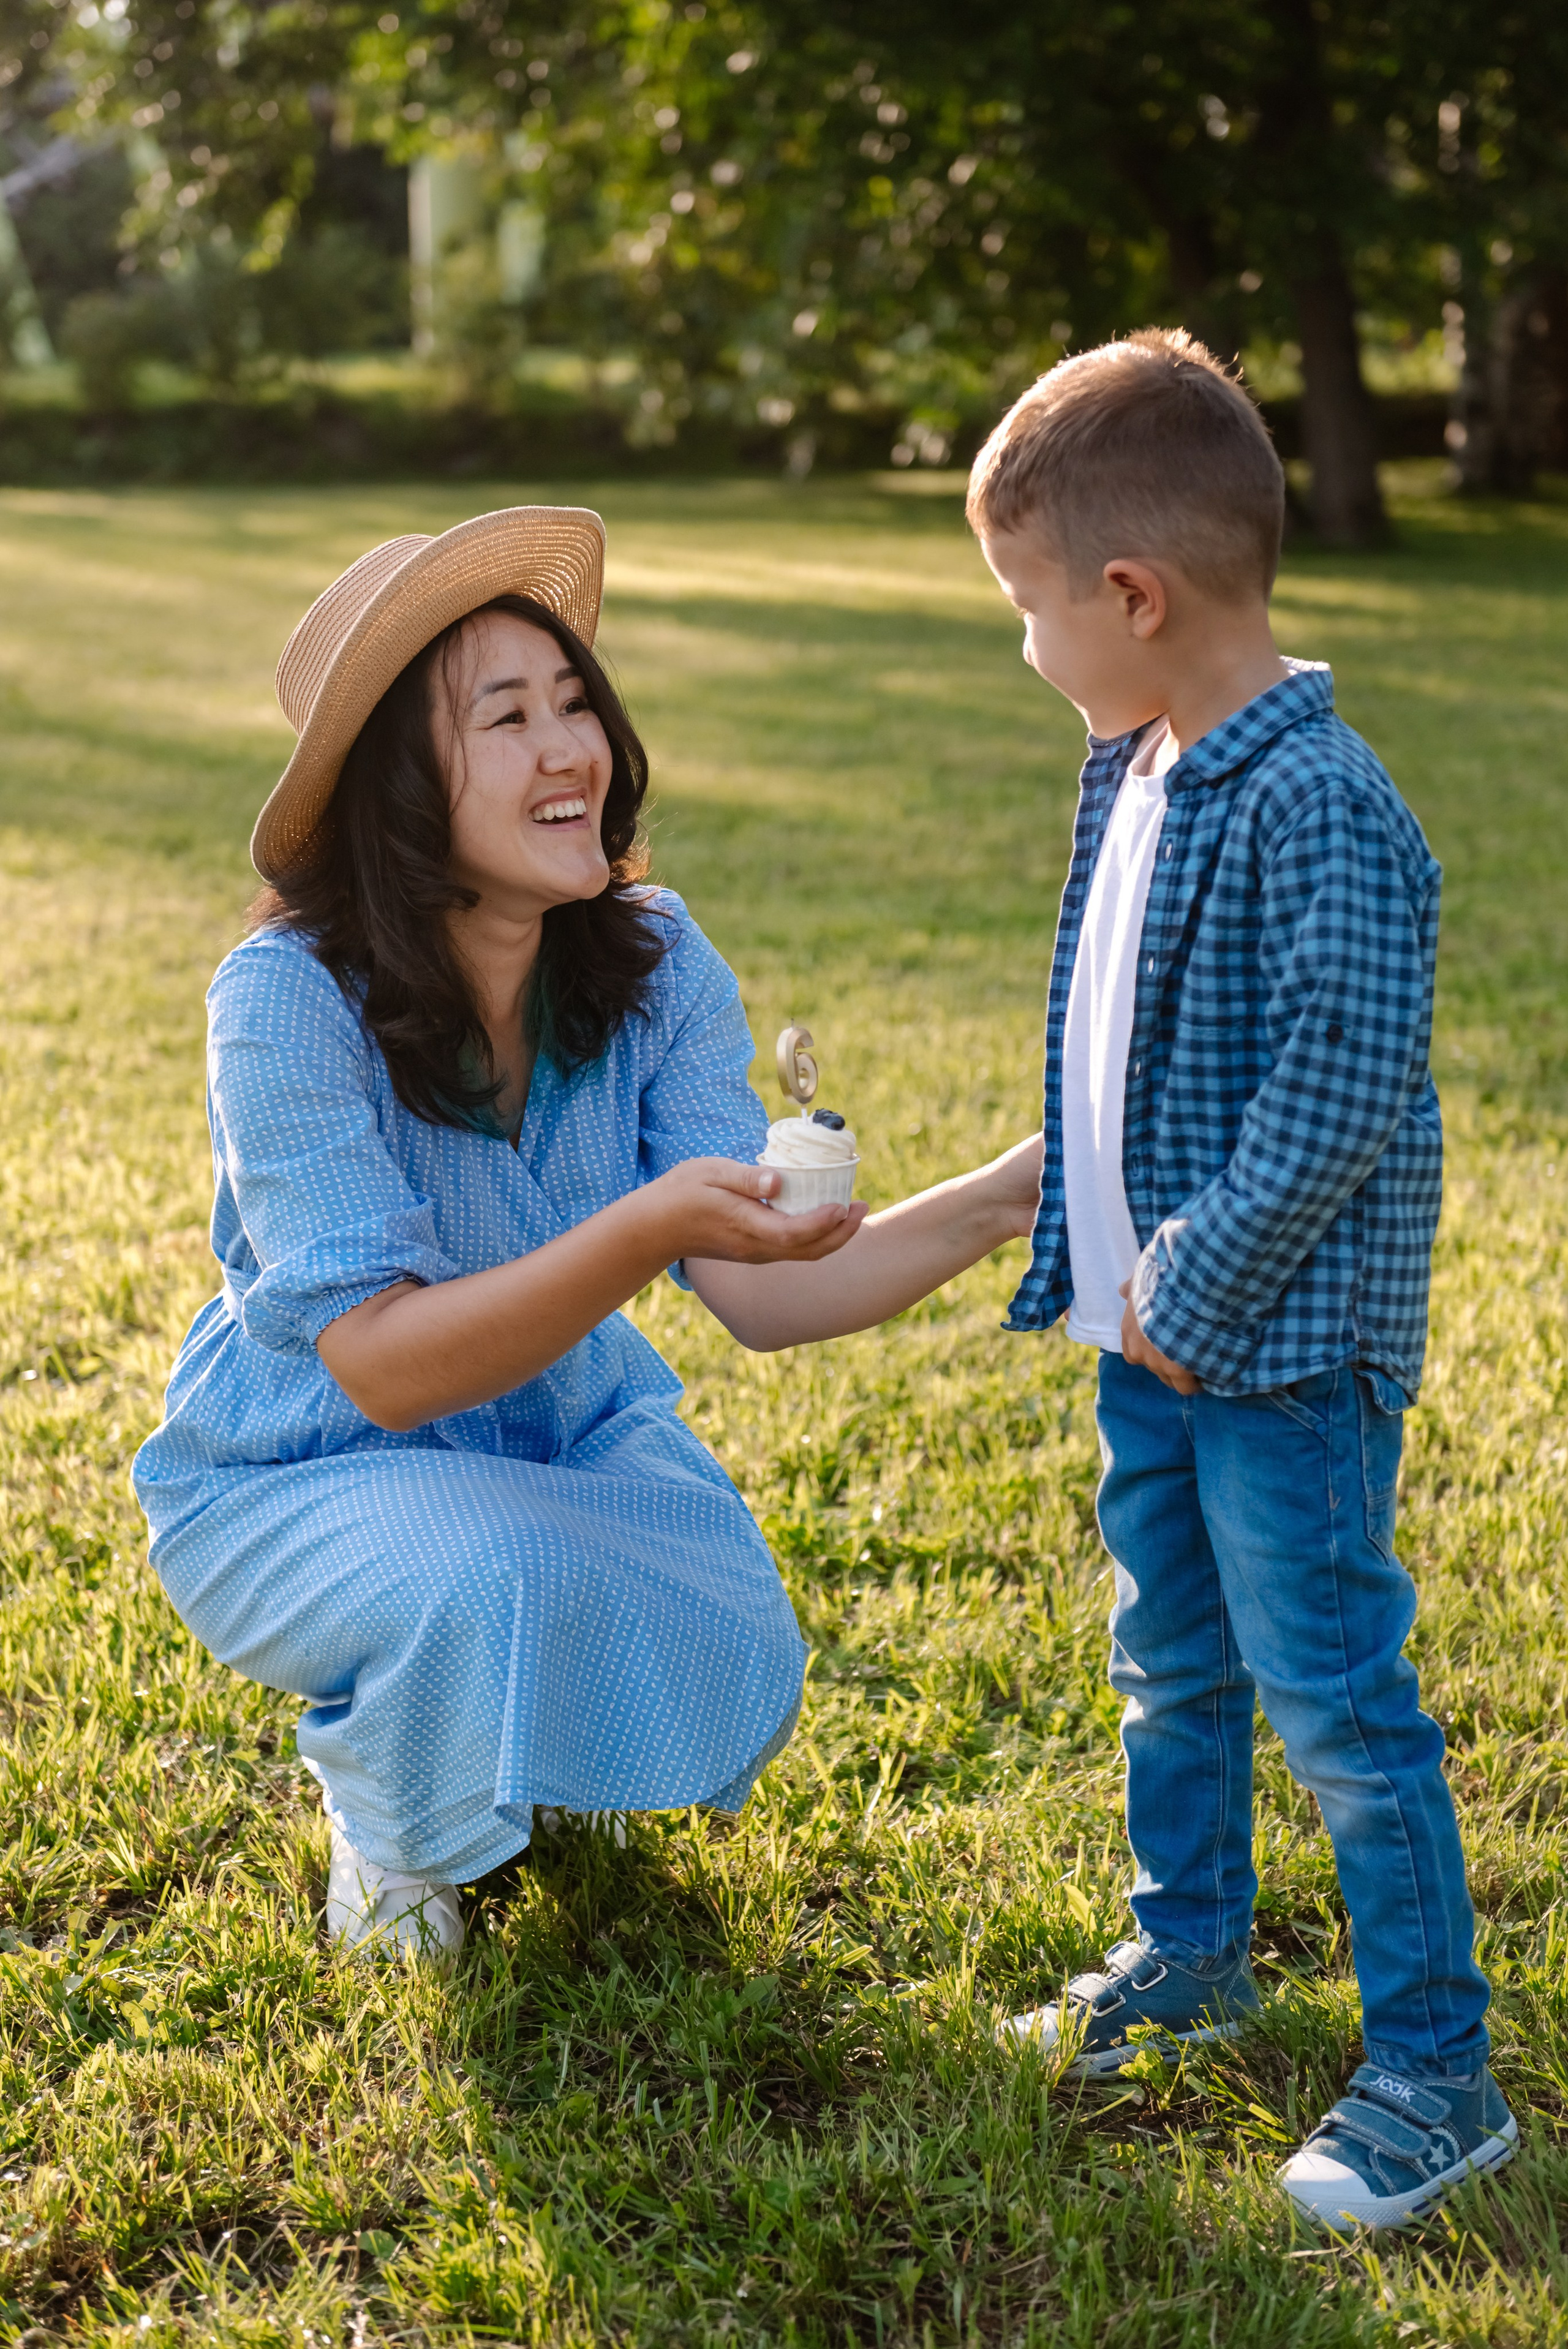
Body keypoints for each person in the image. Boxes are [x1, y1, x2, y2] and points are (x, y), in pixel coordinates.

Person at [132, 507, 1042, 1965]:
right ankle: (392, 1814)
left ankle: (516, 1732)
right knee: (494, 1574)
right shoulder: (284, 995)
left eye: (577, 705)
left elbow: (756, 1289)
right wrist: (643, 1228)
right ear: (401, 789)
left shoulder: (654, 955)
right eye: (506, 717)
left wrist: (1011, 1192)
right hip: (304, 1465)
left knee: (731, 1611)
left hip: (553, 1438)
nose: (571, 751)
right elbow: (383, 1368)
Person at [968, 331, 1515, 2231]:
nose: (1025, 644)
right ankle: (1190, 1958)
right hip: (1157, 1337)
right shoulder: (1141, 763)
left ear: (1134, 595)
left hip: (1273, 1347)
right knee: (1171, 1662)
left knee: (1339, 1702)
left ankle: (1439, 2069)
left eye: (1029, 607)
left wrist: (1190, 1280)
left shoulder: (1320, 801)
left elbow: (1345, 1079)